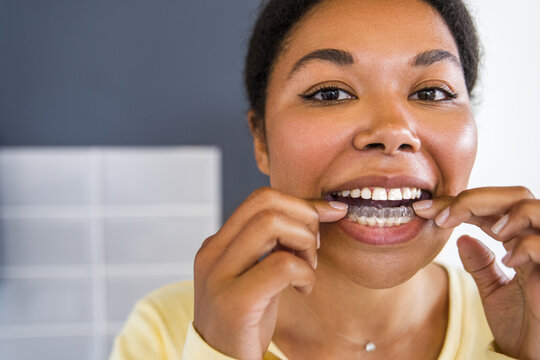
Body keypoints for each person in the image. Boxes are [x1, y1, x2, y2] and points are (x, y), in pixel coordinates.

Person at [110, 0, 540, 359]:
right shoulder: (167, 333)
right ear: (260, 138)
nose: (392, 131)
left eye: (431, 93)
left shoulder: (527, 320)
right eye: (330, 93)